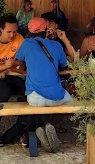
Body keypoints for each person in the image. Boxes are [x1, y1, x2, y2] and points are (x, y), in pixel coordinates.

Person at [15, 17, 72, 153]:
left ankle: (45, 125)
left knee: (35, 104)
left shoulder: (26, 44)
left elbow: (19, 62)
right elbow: (66, 65)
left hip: (35, 98)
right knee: (72, 100)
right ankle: (51, 124)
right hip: (57, 98)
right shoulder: (57, 46)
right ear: (46, 31)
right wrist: (64, 39)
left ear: (29, 30)